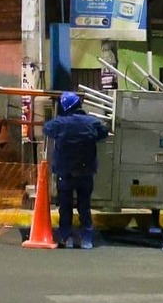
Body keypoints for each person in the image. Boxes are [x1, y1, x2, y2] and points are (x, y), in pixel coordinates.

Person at [41, 90, 111, 249]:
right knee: (84, 206)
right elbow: (104, 132)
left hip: (65, 173)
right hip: (86, 173)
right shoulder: (91, 122)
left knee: (65, 207)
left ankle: (66, 238)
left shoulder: (58, 124)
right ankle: (87, 239)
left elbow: (46, 129)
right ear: (79, 104)